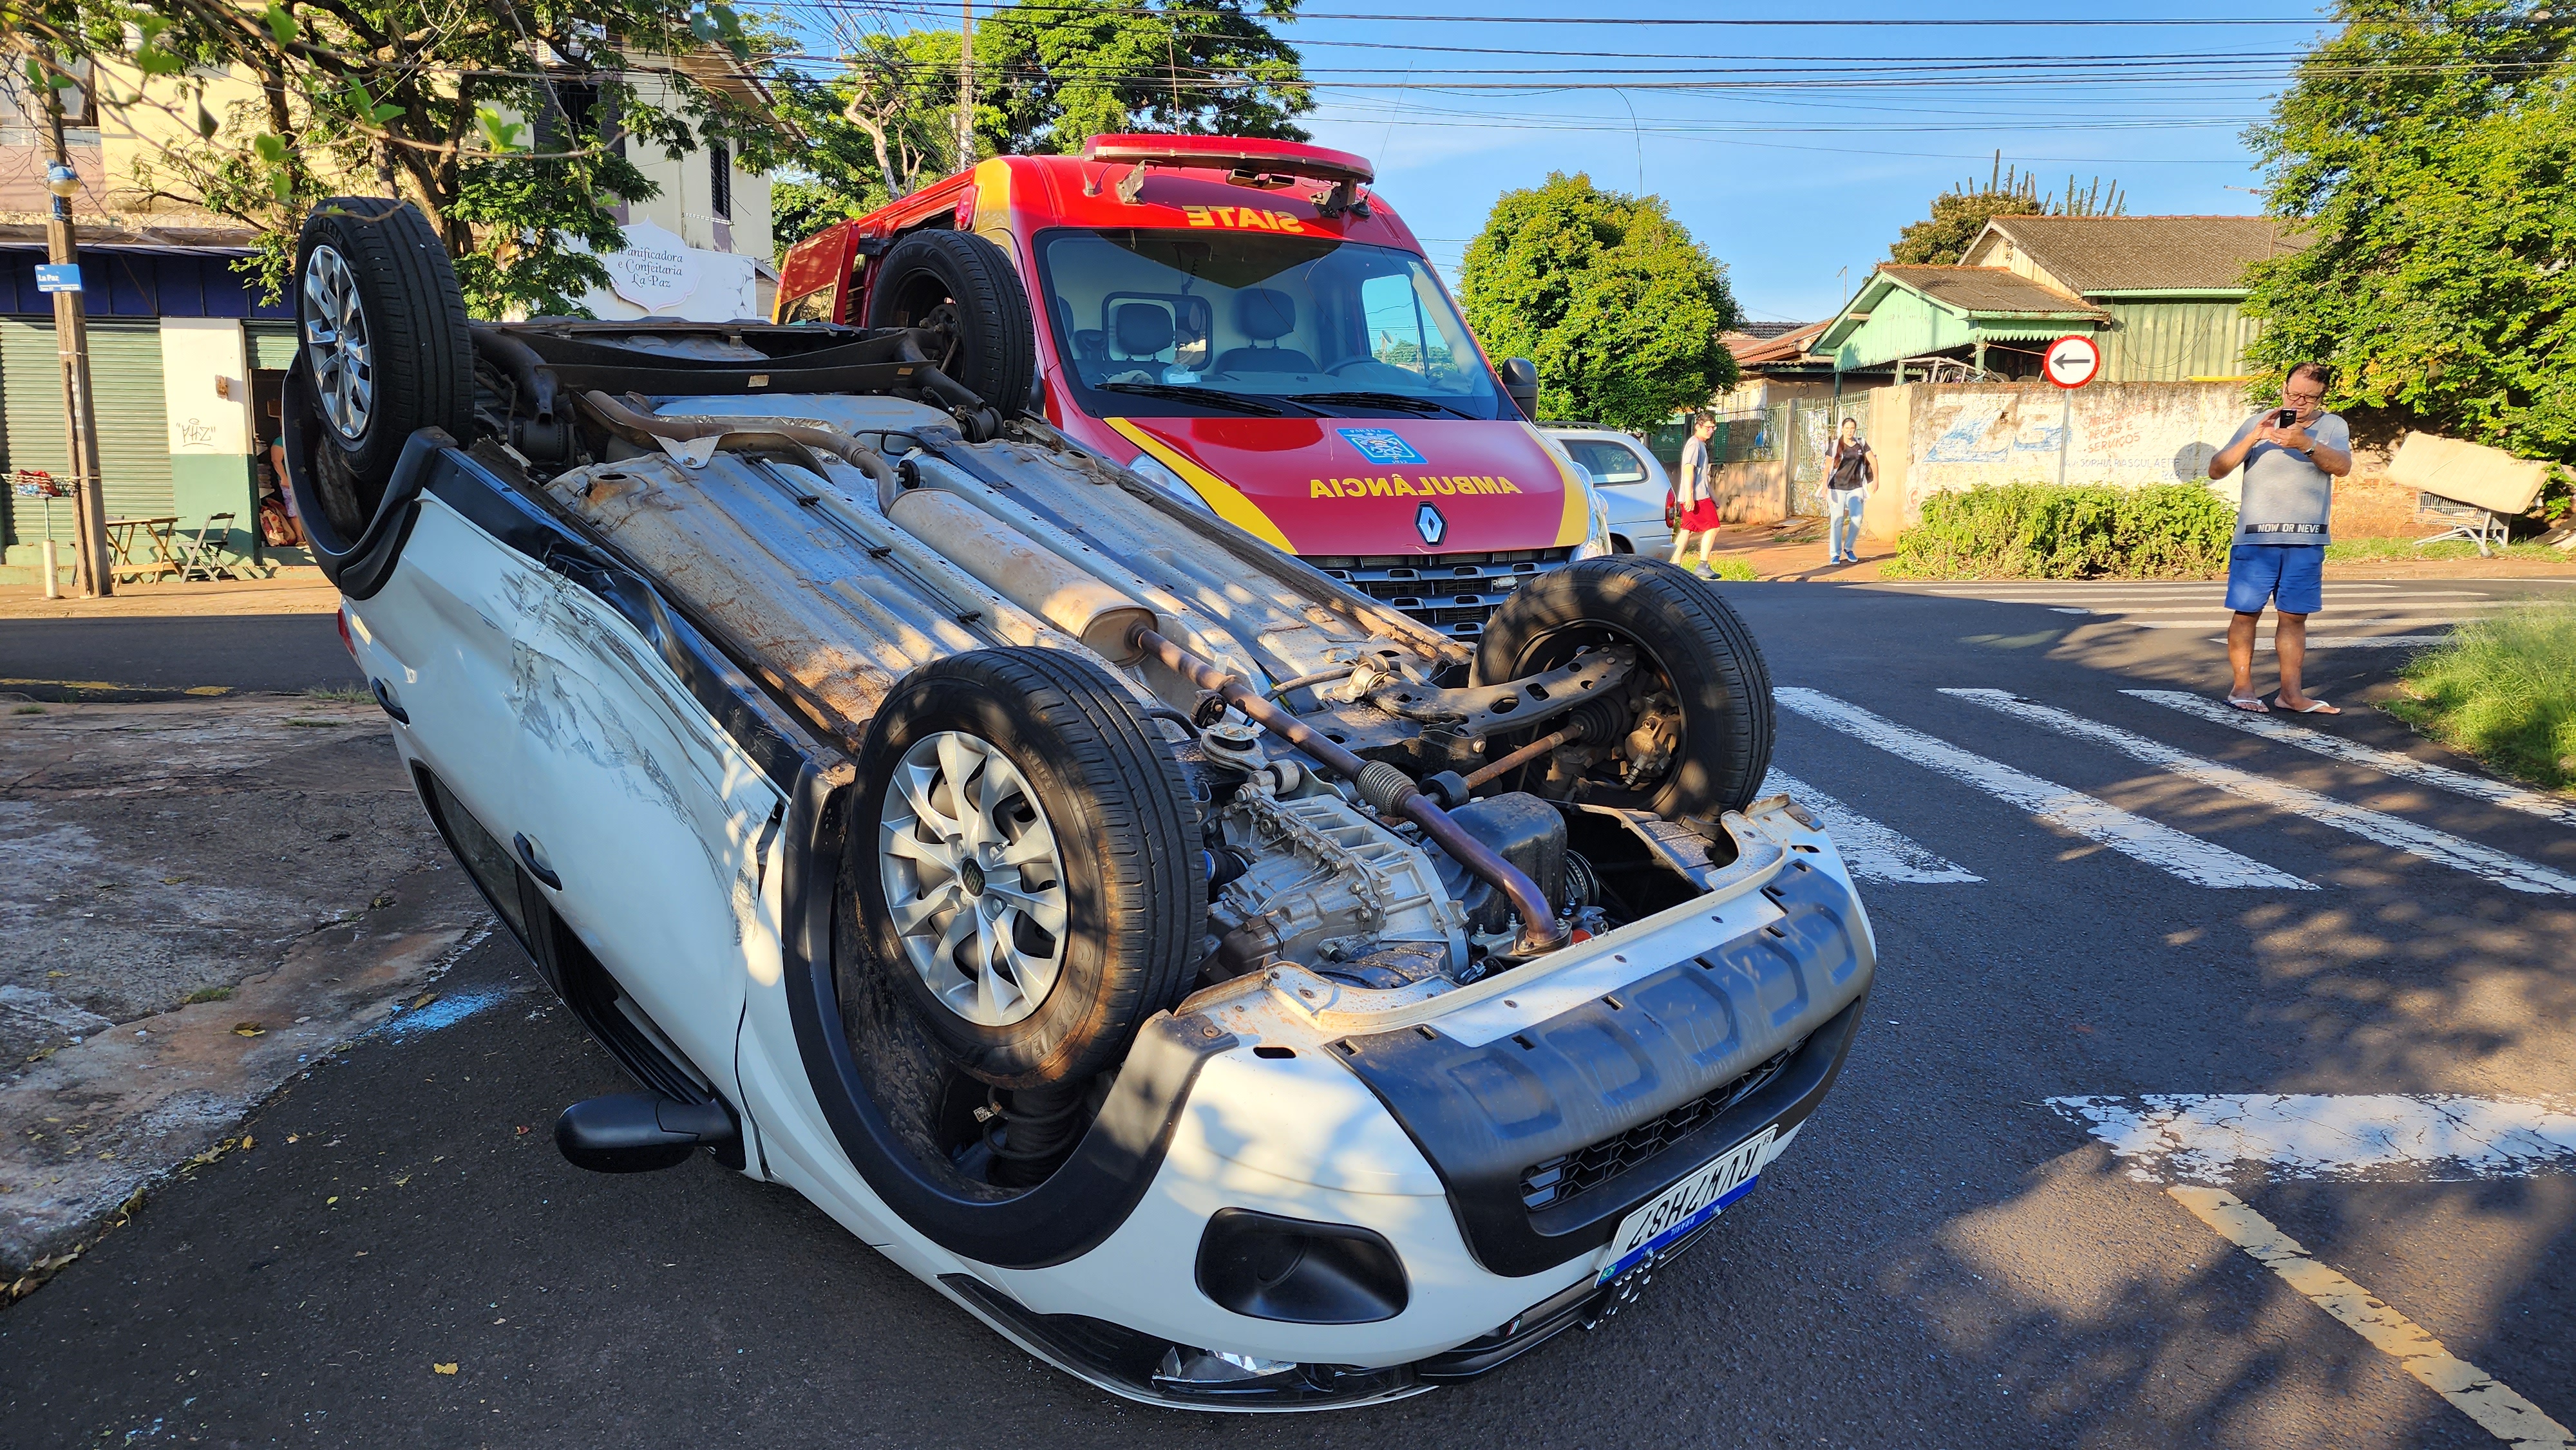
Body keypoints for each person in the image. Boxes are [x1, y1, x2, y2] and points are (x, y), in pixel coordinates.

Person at [2207, 361, 2353, 713]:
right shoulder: (2257, 422)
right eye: (2294, 393)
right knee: (2246, 613)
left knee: (2294, 617)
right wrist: (2254, 436)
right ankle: (2242, 688)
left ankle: (2291, 695)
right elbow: (2216, 469)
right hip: (2256, 540)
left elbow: (2343, 467)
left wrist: (2305, 443)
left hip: (2307, 539)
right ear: (2283, 388)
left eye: (2309, 397)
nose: (2299, 402)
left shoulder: (2333, 426)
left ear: (2322, 396)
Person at [1669, 413, 1721, 576]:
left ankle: (1674, 565)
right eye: (1708, 428)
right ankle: (1703, 565)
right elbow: (1688, 470)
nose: (1711, 431)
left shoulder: (1700, 445)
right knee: (1714, 528)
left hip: (1699, 495)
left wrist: (1713, 496)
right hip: (1697, 497)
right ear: (1698, 427)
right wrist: (1690, 496)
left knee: (1687, 529)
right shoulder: (1694, 445)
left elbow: (1702, 477)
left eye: (1713, 428)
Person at [1819, 417, 1874, 565]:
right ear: (1842, 429)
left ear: (1855, 430)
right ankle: (1835, 554)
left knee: (1857, 518)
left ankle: (1849, 548)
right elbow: (1827, 466)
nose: (1850, 431)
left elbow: (1872, 460)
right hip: (1837, 487)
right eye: (1847, 428)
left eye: (1852, 428)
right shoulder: (1836, 445)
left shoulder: (1861, 444)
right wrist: (1824, 486)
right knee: (1837, 520)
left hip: (1855, 488)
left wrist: (1877, 479)